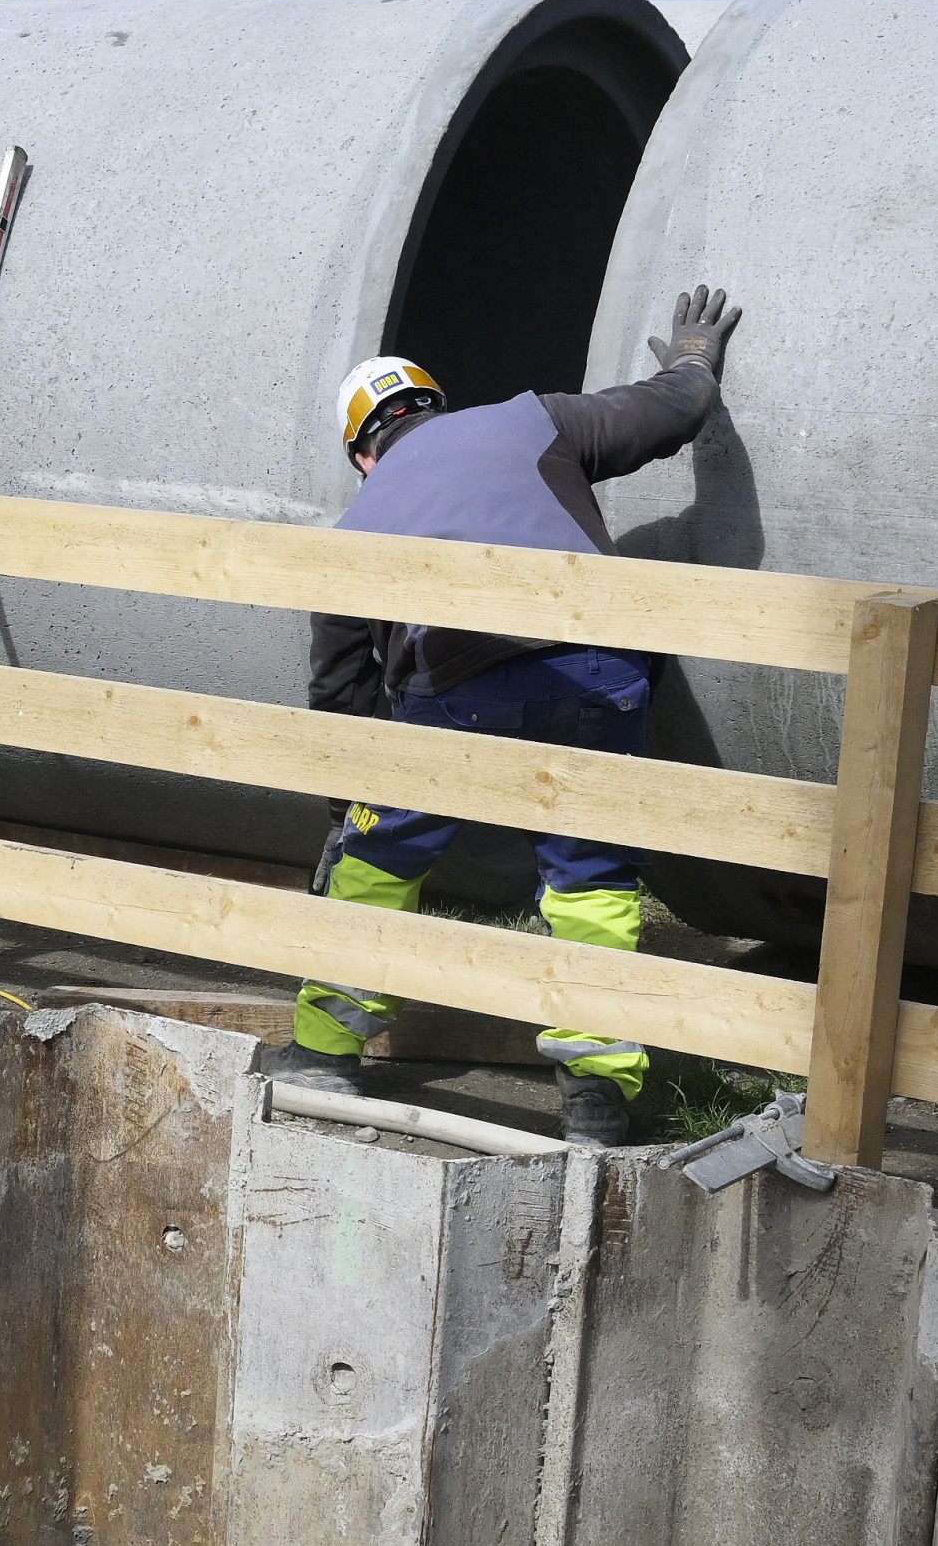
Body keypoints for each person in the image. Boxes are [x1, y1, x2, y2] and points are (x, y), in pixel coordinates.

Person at [268, 286, 743, 1147]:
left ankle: (322, 1058)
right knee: (589, 879)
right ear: (435, 407)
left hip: (456, 688)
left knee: (377, 859)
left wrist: (350, 808)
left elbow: (340, 691)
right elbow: (673, 411)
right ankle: (595, 1097)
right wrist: (694, 358)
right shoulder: (534, 421)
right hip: (600, 673)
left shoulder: (359, 521)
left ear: (362, 454)